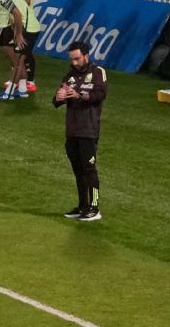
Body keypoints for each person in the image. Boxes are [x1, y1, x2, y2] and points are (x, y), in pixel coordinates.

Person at [53, 41, 108, 222]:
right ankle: (83, 205)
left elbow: (99, 95)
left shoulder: (98, 72)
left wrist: (79, 95)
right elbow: (56, 101)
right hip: (72, 131)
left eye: (77, 59)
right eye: (72, 59)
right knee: (78, 170)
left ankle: (95, 207)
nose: (74, 63)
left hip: (88, 130)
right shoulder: (69, 76)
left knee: (89, 169)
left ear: (86, 55)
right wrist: (59, 97)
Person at [0, 0, 39, 93]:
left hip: (26, 22)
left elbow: (27, 1)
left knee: (23, 54)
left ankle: (26, 82)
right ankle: (23, 82)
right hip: (23, 21)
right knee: (23, 53)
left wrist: (15, 10)